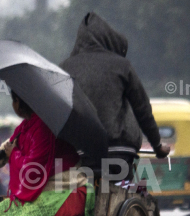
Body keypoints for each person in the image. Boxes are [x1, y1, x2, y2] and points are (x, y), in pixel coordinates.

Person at [60, 12, 170, 180]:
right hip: (120, 152)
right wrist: (157, 146)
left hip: (82, 155)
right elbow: (142, 109)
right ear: (108, 38)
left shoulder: (64, 69)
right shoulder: (122, 66)